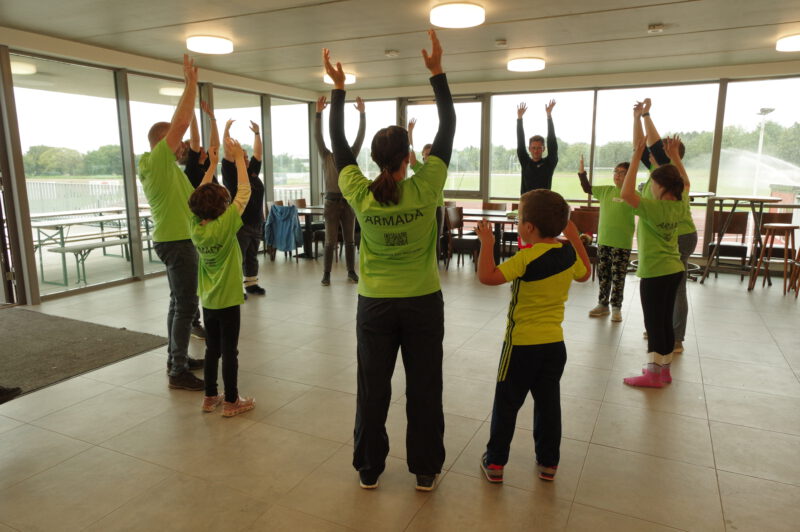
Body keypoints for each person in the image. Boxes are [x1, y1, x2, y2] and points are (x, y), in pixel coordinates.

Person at [323, 29, 455, 492]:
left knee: (372, 388)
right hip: (422, 303)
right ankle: (424, 469)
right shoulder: (427, 183)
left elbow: (339, 144)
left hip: (375, 304)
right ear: (406, 159)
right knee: (425, 387)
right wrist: (437, 74)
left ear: (378, 160)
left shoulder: (359, 192)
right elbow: (448, 128)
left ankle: (368, 467)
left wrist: (338, 91)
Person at [475, 189, 590, 484]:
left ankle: (496, 462)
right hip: (554, 346)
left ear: (528, 228)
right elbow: (585, 273)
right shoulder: (567, 254)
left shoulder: (525, 259)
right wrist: (573, 235)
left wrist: (487, 243)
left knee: (507, 404)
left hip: (520, 347)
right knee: (549, 404)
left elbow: (487, 277)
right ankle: (549, 463)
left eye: (520, 217)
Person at [138, 55, 204, 391]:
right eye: (175, 144)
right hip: (176, 242)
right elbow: (179, 123)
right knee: (186, 305)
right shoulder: (157, 161)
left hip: (177, 239)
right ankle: (178, 370)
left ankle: (176, 359)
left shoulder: (166, 171)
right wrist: (190, 84)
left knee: (179, 303)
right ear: (164, 143)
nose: (181, 149)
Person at [189, 137, 256, 417]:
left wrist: (214, 164)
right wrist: (239, 158)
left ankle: (209, 396)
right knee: (231, 351)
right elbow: (244, 191)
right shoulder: (226, 224)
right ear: (222, 207)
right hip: (228, 298)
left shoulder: (194, 225)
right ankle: (231, 401)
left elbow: (199, 192)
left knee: (213, 349)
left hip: (208, 300)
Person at [619, 136, 690, 388]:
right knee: (665, 323)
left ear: (661, 187)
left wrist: (636, 157)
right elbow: (686, 181)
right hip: (674, 270)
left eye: (654, 183)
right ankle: (665, 370)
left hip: (654, 273)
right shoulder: (680, 205)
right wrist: (676, 159)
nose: (651, 187)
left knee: (654, 323)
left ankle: (652, 374)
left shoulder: (653, 208)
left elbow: (626, 193)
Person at [634, 99, 697, 352]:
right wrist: (637, 117)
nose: (652, 151)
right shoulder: (660, 171)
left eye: (660, 149)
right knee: (670, 286)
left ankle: (675, 337)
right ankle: (663, 329)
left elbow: (651, 143)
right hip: (675, 234)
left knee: (675, 286)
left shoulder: (669, 171)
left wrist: (647, 114)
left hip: (679, 235)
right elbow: (640, 145)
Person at [314, 94, 365, 286]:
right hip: (331, 202)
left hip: (348, 202)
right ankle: (326, 274)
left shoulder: (350, 155)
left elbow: (360, 138)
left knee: (350, 240)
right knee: (330, 240)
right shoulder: (326, 156)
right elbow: (317, 137)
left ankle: (351, 272)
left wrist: (362, 115)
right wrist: (318, 114)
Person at [577, 156, 635, 322]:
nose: (617, 175)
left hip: (622, 244)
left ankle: (616, 307)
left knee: (618, 277)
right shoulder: (606, 191)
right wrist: (582, 172)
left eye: (622, 173)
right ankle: (603, 304)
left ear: (630, 175)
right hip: (604, 242)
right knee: (604, 275)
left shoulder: (633, 195)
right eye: (616, 172)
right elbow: (586, 187)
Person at [182, 100, 221, 339]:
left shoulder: (207, 164)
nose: (205, 150)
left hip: (215, 223)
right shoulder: (192, 171)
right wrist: (193, 115)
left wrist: (213, 119)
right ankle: (196, 320)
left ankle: (208, 312)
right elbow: (196, 141)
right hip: (201, 225)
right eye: (199, 150)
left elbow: (214, 145)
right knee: (199, 275)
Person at [222, 119, 266, 297]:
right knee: (237, 258)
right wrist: (225, 131)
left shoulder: (252, 171)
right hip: (240, 223)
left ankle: (251, 284)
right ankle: (234, 288)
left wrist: (257, 133)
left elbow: (258, 153)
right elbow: (227, 151)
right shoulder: (231, 173)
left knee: (252, 256)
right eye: (243, 157)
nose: (246, 159)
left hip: (256, 222)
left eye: (246, 157)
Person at [408, 119, 445, 259]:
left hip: (437, 207)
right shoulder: (420, 169)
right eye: (426, 154)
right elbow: (411, 157)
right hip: (424, 207)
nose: (428, 156)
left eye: (431, 153)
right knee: (424, 238)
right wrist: (410, 133)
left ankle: (434, 265)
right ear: (423, 155)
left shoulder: (437, 169)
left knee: (435, 239)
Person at [516, 99, 558, 194]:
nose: (536, 151)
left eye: (539, 148)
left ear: (544, 149)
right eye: (534, 148)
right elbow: (520, 143)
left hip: (544, 204)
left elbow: (552, 143)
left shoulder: (549, 163)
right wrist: (519, 119)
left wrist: (549, 116)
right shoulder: (525, 162)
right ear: (529, 149)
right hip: (526, 205)